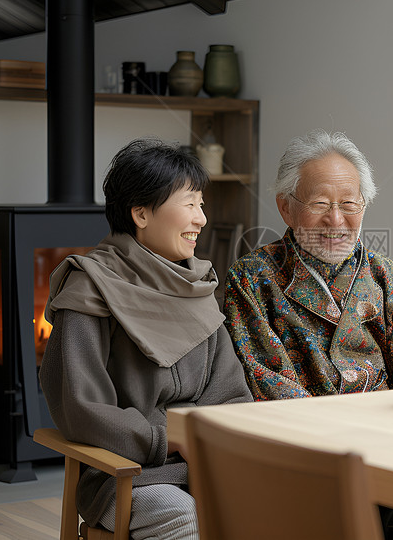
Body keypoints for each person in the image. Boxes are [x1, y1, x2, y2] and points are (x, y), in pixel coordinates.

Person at [223, 129, 393, 540]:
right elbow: (265, 384)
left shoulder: (387, 279)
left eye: (349, 204)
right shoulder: (253, 280)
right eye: (319, 204)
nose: (336, 220)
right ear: (286, 208)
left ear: (364, 208)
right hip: (305, 460)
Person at [39, 138, 253, 540]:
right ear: (140, 213)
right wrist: (168, 434)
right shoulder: (89, 290)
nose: (202, 219)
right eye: (189, 204)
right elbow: (81, 408)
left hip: (205, 463)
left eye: (201, 205)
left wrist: (200, 439)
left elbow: (231, 397)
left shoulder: (197, 288)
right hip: (124, 475)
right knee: (183, 515)